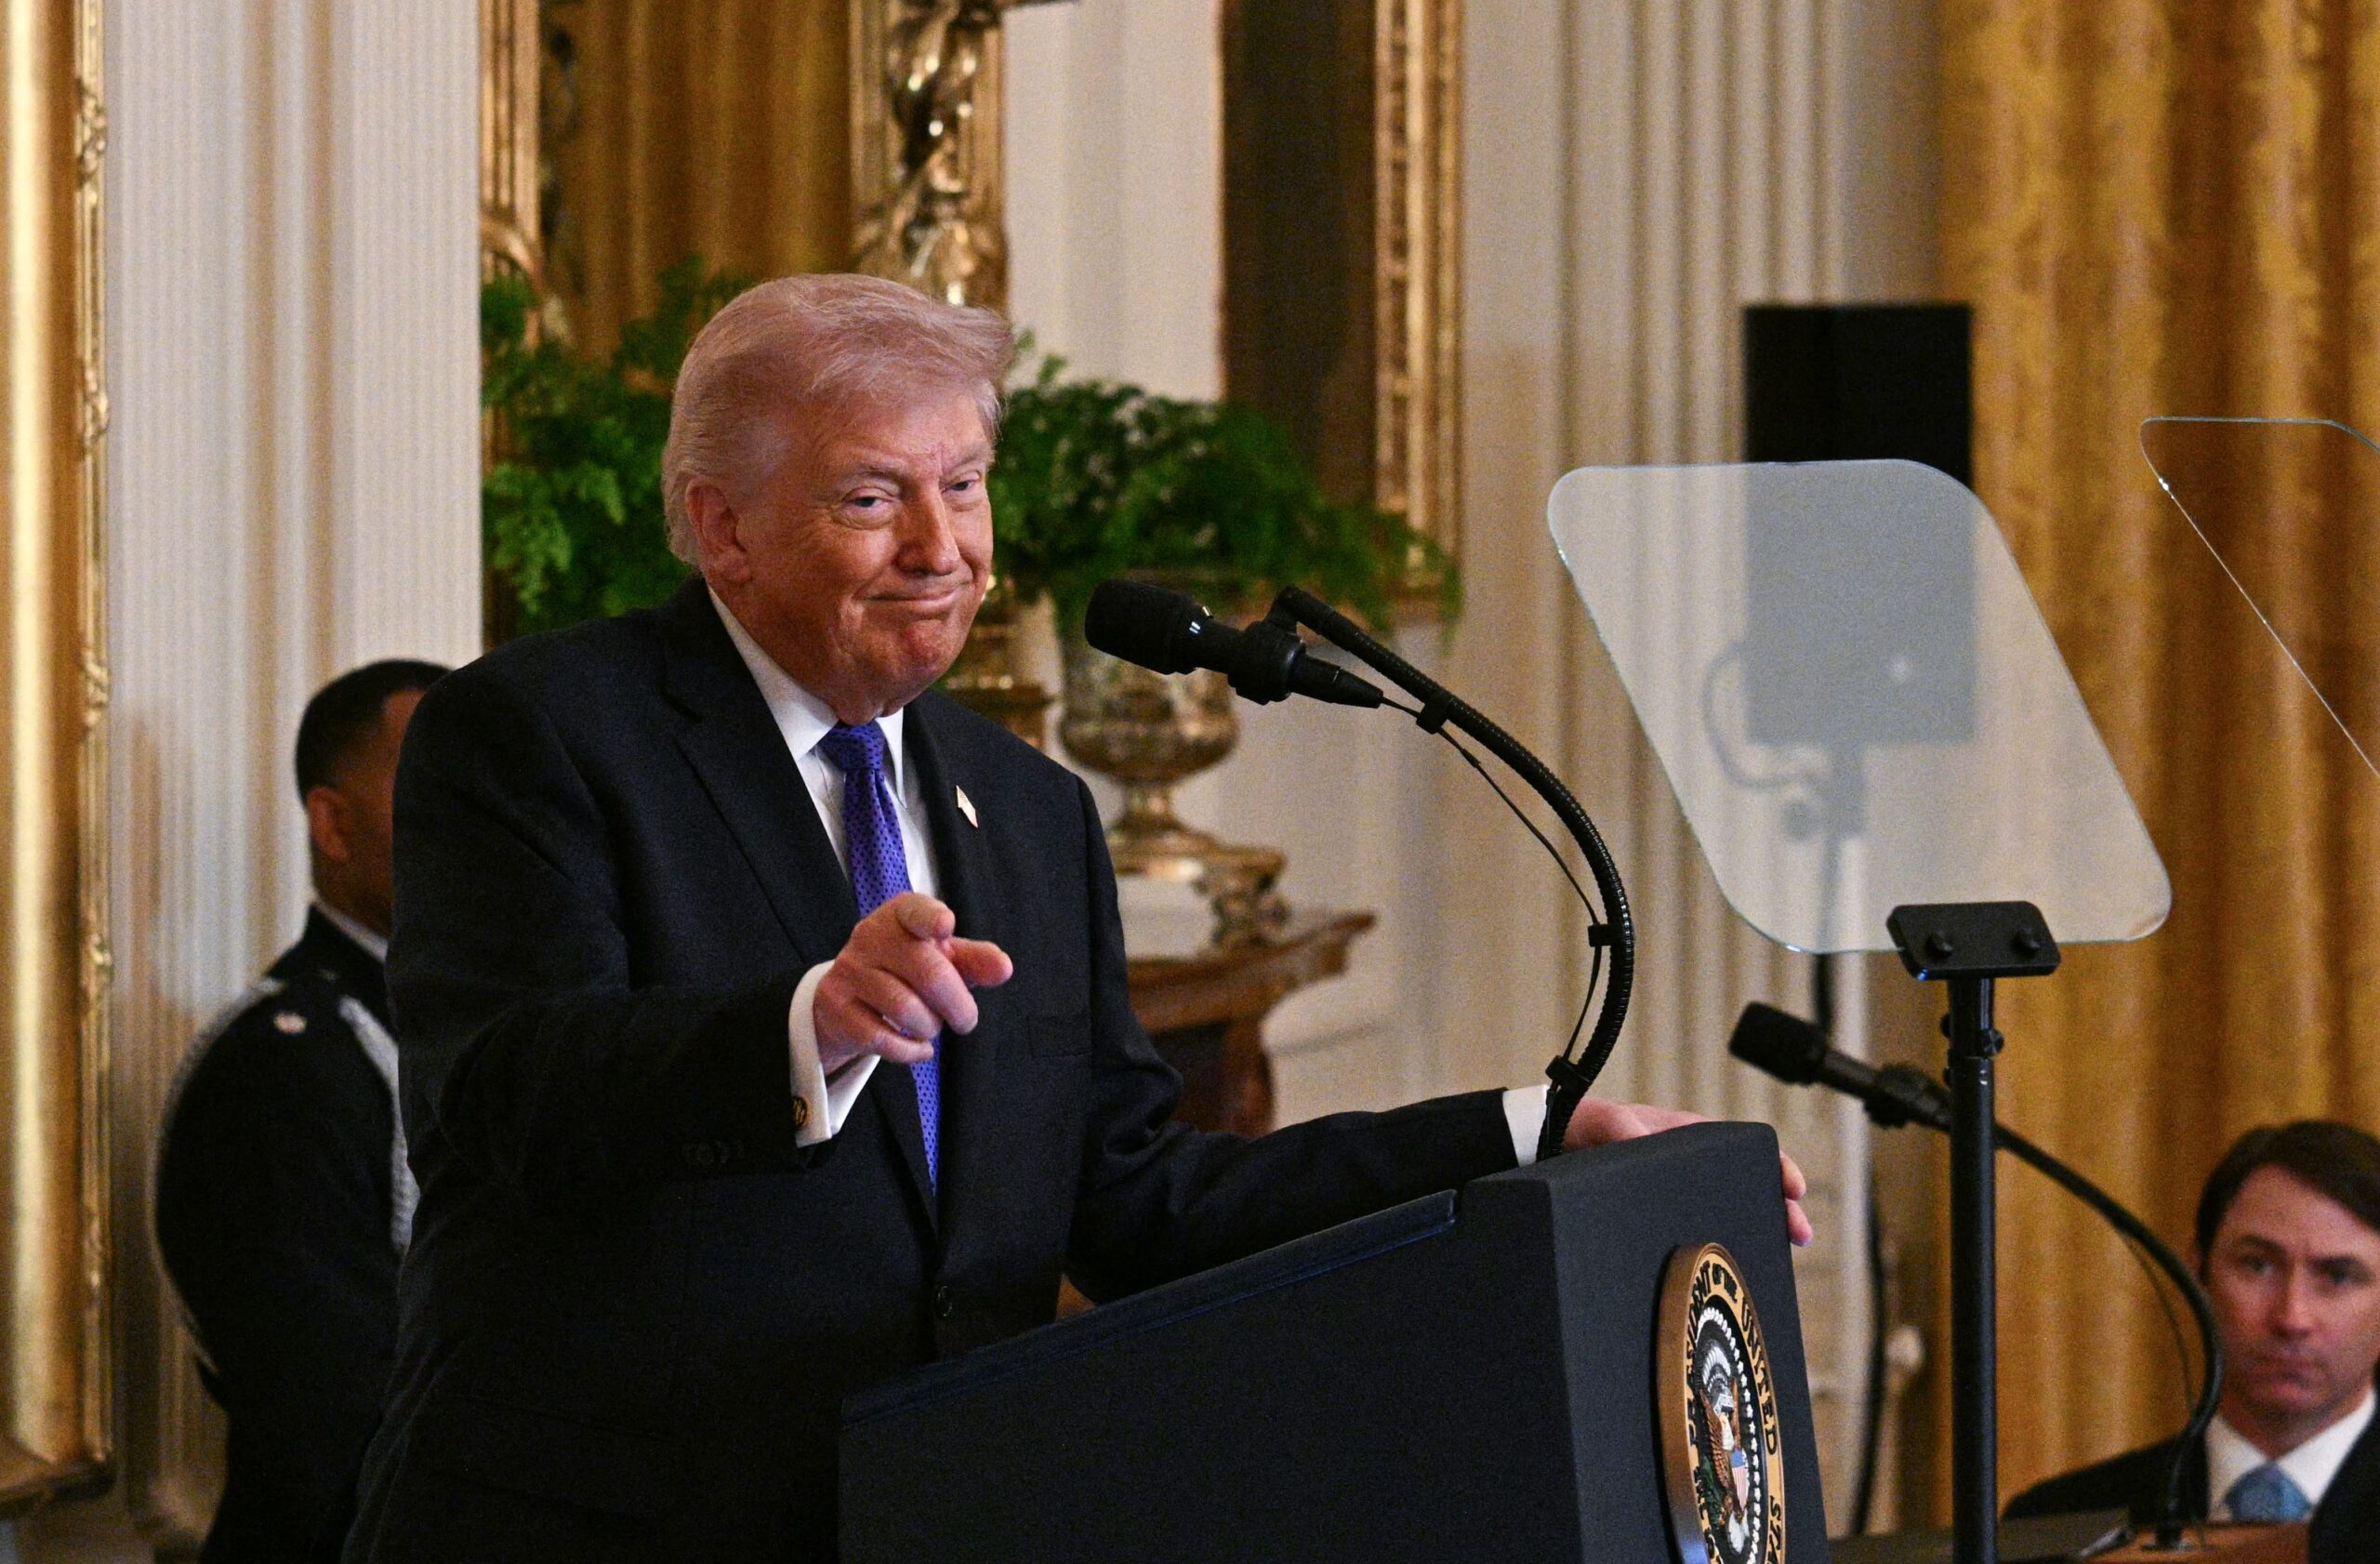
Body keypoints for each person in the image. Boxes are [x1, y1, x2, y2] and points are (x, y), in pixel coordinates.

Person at [340, 273, 1810, 1563]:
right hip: (603, 1528)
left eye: (966, 484)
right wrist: (804, 1027)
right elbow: (499, 1093)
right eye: (872, 498)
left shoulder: (1027, 808)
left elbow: (1140, 1200)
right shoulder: (540, 733)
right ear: (723, 528)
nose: (944, 546)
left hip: (931, 1517)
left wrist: (1527, 1138)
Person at [155, 658, 449, 1564]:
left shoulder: (490, 1030)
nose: (477, 824)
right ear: (333, 822)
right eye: (436, 789)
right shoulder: (280, 1067)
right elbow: (332, 1422)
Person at [2007, 1120, 2380, 1559]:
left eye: (2338, 1276)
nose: (2292, 1317)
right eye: (2257, 1265)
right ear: (2197, 1273)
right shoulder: (2055, 1523)